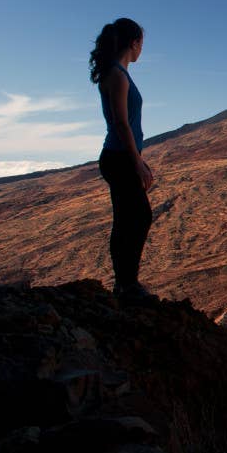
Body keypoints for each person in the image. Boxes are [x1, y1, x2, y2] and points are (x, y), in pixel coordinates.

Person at [90, 17, 157, 302]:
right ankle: (127, 284)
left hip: (118, 156)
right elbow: (120, 123)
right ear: (134, 42)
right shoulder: (117, 75)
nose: (143, 48)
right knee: (140, 217)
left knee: (127, 219)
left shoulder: (117, 73)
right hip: (119, 157)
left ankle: (124, 284)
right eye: (142, 42)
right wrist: (136, 161)